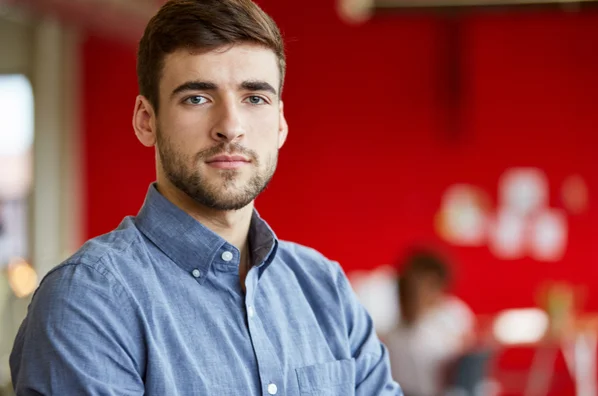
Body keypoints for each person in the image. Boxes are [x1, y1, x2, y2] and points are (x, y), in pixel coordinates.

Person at [9, 1, 402, 395]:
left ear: (280, 123)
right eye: (197, 98)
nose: (231, 127)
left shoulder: (324, 289)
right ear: (147, 120)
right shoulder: (88, 301)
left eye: (255, 98)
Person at [385, 249, 475, 396]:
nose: (424, 292)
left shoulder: (454, 314)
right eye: (417, 286)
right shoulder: (394, 328)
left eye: (431, 285)